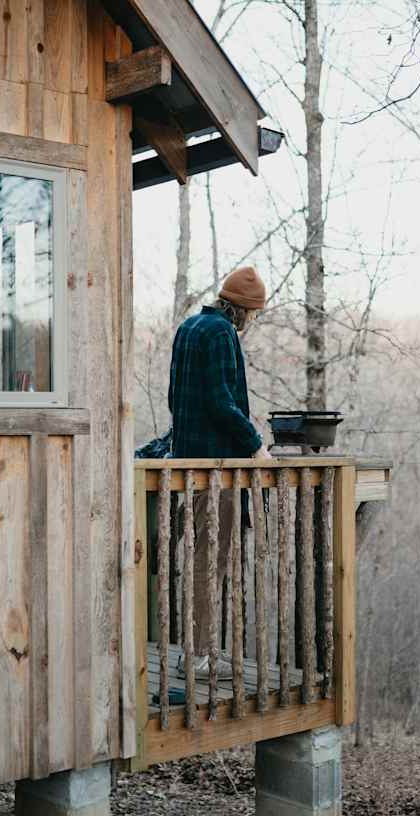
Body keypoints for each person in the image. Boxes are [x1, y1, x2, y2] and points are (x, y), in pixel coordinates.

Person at [168, 266, 271, 679]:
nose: (253, 321)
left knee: (198, 558)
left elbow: (177, 397)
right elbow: (221, 401)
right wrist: (255, 444)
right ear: (243, 310)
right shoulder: (222, 333)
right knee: (212, 560)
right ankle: (200, 659)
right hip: (216, 468)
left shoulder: (189, 327)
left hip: (188, 462)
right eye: (255, 314)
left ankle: (195, 652)